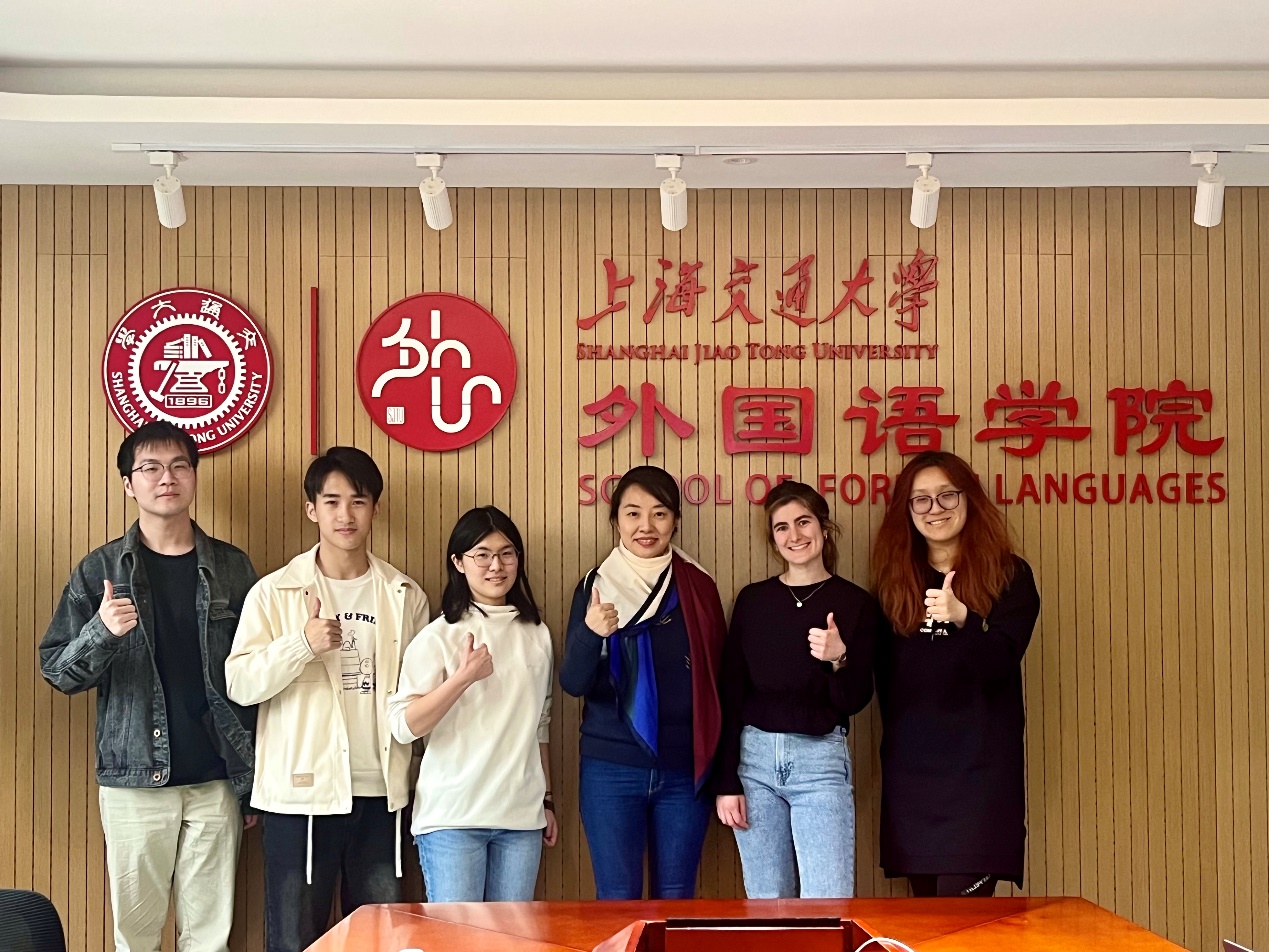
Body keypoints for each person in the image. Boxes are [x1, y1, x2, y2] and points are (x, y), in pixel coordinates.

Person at [39, 421, 258, 952]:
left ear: (195, 476)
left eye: (180, 465)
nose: (167, 478)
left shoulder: (231, 567)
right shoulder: (101, 569)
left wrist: (252, 779)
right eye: (151, 468)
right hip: (134, 780)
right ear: (128, 484)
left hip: (217, 778)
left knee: (209, 939)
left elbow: (256, 676)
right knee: (136, 938)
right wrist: (102, 632)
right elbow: (58, 670)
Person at [225, 447, 429, 952]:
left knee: (381, 941)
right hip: (301, 797)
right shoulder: (274, 592)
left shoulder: (404, 594)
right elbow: (240, 684)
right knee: (294, 939)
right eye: (332, 501)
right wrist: (302, 644)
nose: (345, 515)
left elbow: (419, 695)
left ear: (375, 508)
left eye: (358, 501)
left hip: (383, 793)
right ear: (311, 509)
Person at [871, 450, 1040, 898]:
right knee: (929, 922)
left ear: (969, 499)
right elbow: (883, 678)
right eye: (921, 499)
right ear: (907, 511)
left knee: (962, 923)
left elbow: (1001, 661)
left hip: (980, 779)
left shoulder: (1009, 576)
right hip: (913, 779)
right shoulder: (894, 581)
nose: (935, 509)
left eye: (947, 495)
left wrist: (963, 618)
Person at [559, 465, 726, 900]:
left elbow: (718, 684)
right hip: (610, 768)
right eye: (633, 513)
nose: (646, 526)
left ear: (676, 521)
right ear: (616, 520)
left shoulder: (699, 587)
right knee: (617, 901)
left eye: (659, 513)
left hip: (683, 769)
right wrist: (590, 631)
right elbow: (573, 683)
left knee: (677, 901)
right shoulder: (596, 586)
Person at [714, 480, 879, 898]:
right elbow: (731, 693)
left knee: (828, 901)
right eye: (782, 527)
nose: (795, 535)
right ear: (773, 539)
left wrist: (840, 658)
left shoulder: (856, 603)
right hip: (754, 763)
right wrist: (726, 781)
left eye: (803, 522)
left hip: (821, 761)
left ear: (823, 527)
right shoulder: (753, 601)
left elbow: (854, 700)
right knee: (767, 905)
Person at [387, 506, 556, 902]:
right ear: (459, 563)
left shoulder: (537, 634)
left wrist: (547, 800)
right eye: (482, 555)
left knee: (512, 936)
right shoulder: (439, 636)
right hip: (452, 818)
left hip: (521, 819)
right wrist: (462, 678)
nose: (496, 566)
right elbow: (403, 726)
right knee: (457, 934)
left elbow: (540, 725)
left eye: (506, 553)